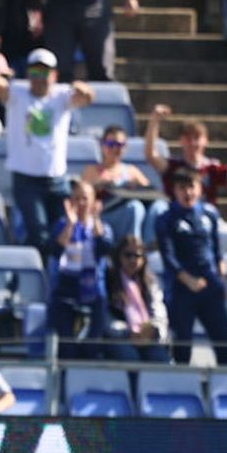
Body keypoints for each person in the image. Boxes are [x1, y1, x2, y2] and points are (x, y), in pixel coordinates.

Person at [0, 47, 95, 259]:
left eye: (45, 72)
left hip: (56, 179)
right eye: (35, 72)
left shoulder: (62, 96)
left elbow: (89, 98)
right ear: (28, 75)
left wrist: (83, 88)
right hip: (27, 179)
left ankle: (55, 274)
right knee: (39, 233)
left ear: (54, 75)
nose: (40, 78)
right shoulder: (17, 93)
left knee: (63, 228)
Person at [155, 164, 227, 364]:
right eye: (182, 188)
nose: (188, 192)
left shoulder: (210, 214)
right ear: (175, 190)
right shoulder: (166, 219)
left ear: (200, 188)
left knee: (224, 341)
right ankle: (182, 388)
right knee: (182, 345)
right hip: (182, 289)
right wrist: (187, 279)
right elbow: (168, 256)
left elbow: (214, 248)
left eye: (192, 187)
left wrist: (220, 273)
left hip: (209, 286)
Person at [49, 180, 114, 355]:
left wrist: (96, 220)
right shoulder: (62, 225)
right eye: (77, 198)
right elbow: (55, 251)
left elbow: (104, 248)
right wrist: (71, 225)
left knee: (92, 346)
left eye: (85, 198)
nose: (81, 203)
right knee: (66, 347)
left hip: (93, 290)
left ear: (94, 202)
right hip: (66, 288)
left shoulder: (102, 228)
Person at [104, 235, 171, 362]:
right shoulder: (108, 281)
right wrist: (128, 332)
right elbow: (105, 317)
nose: (133, 260)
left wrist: (153, 329)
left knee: (161, 359)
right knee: (130, 357)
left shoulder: (150, 283)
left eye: (137, 256)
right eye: (128, 255)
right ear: (119, 256)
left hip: (148, 337)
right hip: (119, 337)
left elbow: (159, 311)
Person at [144, 103, 227, 202]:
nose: (193, 143)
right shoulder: (173, 166)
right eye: (188, 138)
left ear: (206, 140)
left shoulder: (212, 167)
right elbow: (151, 155)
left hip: (206, 215)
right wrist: (155, 121)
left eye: (197, 138)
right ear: (181, 141)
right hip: (176, 215)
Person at [82, 124, 150, 243]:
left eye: (119, 145)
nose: (115, 149)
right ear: (102, 146)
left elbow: (150, 193)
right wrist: (100, 186)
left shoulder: (131, 171)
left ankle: (135, 246)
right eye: (110, 144)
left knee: (136, 207)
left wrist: (135, 187)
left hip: (126, 214)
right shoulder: (91, 171)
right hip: (102, 215)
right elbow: (81, 197)